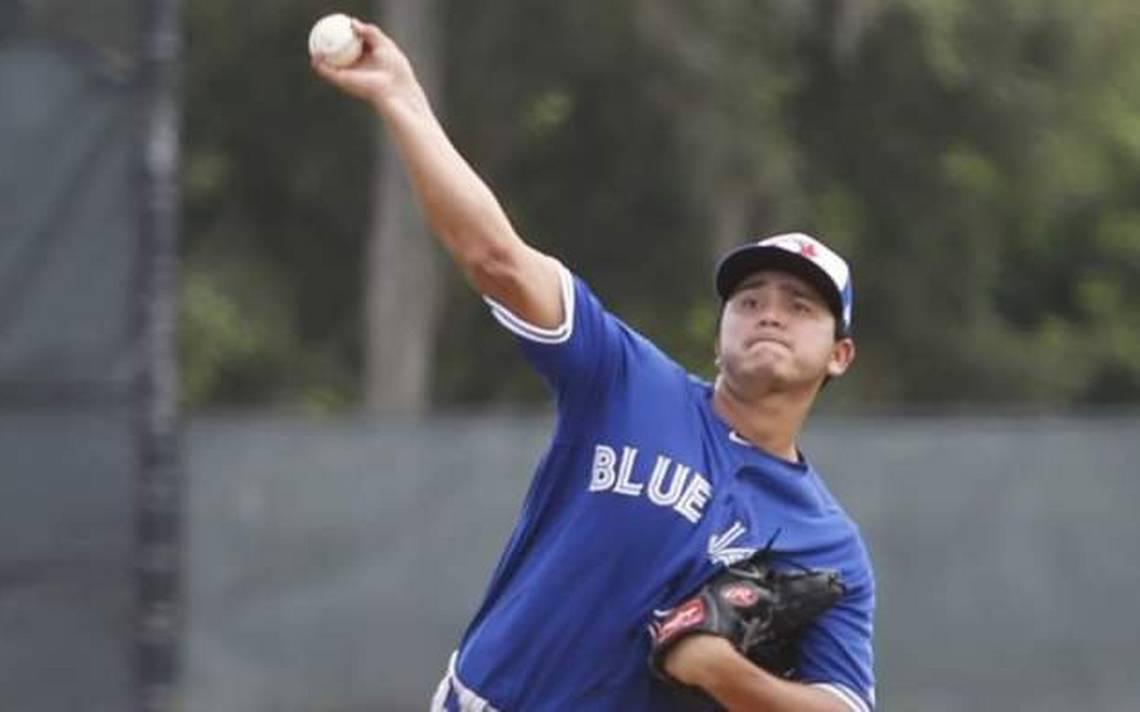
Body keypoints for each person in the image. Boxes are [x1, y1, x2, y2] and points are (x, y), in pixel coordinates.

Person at [313, 18, 875, 712]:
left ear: (839, 355)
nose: (769, 312)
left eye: (800, 305)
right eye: (750, 297)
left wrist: (722, 670)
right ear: (720, 328)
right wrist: (402, 97)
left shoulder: (823, 541)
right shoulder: (627, 383)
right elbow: (498, 259)